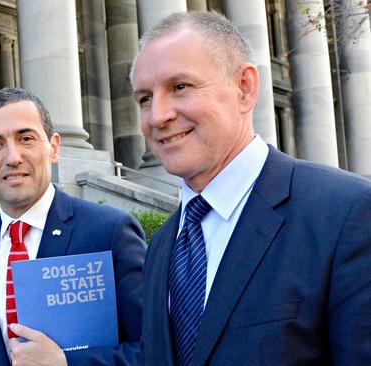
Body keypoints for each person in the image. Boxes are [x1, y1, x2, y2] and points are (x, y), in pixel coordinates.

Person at [131, 11, 371, 366]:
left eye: (180, 86)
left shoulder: (347, 214)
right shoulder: (162, 246)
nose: (157, 116)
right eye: (144, 98)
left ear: (244, 88)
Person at [0, 87, 147, 366]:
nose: (12, 157)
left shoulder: (109, 232)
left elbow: (154, 349)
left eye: (26, 138)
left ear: (53, 147)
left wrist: (66, 363)